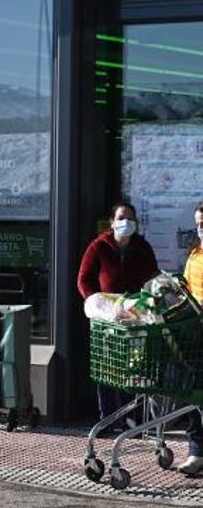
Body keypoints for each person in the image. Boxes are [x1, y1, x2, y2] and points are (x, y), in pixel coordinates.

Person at [77, 201, 159, 432]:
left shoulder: (142, 247)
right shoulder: (99, 247)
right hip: (106, 318)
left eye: (130, 218)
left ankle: (129, 420)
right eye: (121, 218)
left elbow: (152, 278)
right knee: (107, 367)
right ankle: (107, 418)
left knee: (131, 367)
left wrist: (144, 303)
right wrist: (98, 303)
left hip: (133, 315)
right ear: (112, 222)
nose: (126, 223)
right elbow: (84, 279)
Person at [178, 200, 203, 475]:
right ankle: (196, 451)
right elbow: (187, 285)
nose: (201, 229)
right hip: (194, 330)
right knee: (193, 390)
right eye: (198, 224)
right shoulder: (195, 252)